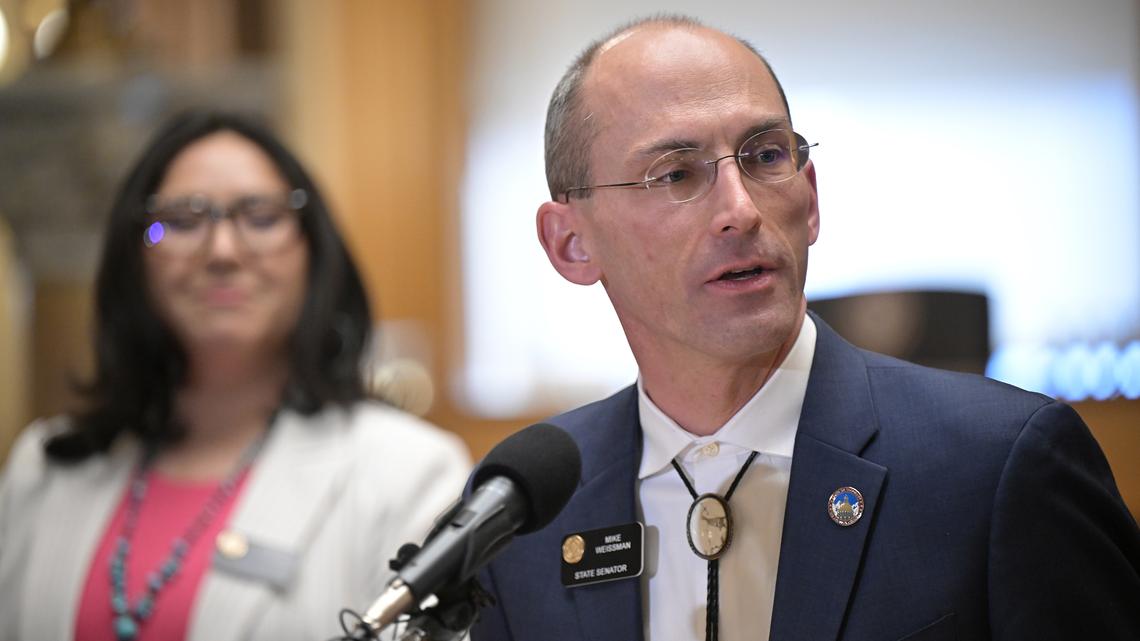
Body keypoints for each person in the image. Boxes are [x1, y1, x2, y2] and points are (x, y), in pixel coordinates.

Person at [469, 15, 1140, 641]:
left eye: (763, 157)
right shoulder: (524, 512)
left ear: (811, 199)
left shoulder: (999, 466)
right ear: (571, 244)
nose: (740, 210)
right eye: (675, 173)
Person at [0, 110, 471, 641]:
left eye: (261, 216)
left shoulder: (409, 474)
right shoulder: (45, 468)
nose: (222, 251)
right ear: (135, 259)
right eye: (181, 220)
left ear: (313, 253)